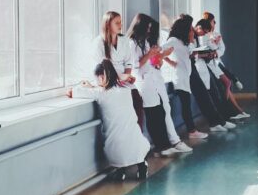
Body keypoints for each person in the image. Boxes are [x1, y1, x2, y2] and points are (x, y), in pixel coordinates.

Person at [67, 60, 150, 181]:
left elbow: (70, 92)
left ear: (101, 77)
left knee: (118, 147)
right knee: (135, 140)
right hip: (138, 146)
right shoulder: (126, 90)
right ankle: (142, 167)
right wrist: (94, 86)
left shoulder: (100, 94)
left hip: (114, 151)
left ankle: (120, 170)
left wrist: (83, 86)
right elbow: (111, 89)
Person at [125, 13, 194, 155]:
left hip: (154, 79)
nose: (149, 31)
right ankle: (161, 146)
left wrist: (158, 58)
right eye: (147, 28)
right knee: (152, 114)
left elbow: (153, 63)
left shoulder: (144, 42)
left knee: (161, 112)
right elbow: (135, 66)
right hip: (144, 82)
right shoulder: (132, 44)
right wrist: (151, 54)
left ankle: (167, 144)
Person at [163, 15, 233, 134]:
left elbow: (190, 53)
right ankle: (202, 127)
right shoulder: (173, 40)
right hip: (184, 73)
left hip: (190, 69)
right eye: (190, 28)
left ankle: (217, 122)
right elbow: (161, 52)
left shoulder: (183, 40)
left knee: (204, 95)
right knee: (195, 99)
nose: (193, 30)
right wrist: (172, 63)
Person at [91, 11, 145, 134]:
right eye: (117, 23)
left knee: (137, 99)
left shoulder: (124, 40)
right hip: (108, 81)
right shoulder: (98, 43)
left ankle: (137, 136)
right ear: (108, 24)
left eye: (120, 22)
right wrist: (121, 77)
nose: (120, 25)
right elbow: (101, 70)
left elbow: (128, 62)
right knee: (122, 110)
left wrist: (127, 76)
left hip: (124, 79)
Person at [195, 18, 245, 122]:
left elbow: (219, 49)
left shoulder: (207, 35)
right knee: (223, 87)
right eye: (213, 22)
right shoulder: (200, 37)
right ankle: (230, 113)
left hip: (213, 63)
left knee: (226, 85)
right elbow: (201, 51)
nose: (205, 33)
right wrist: (213, 47)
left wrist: (215, 45)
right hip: (208, 65)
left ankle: (233, 111)